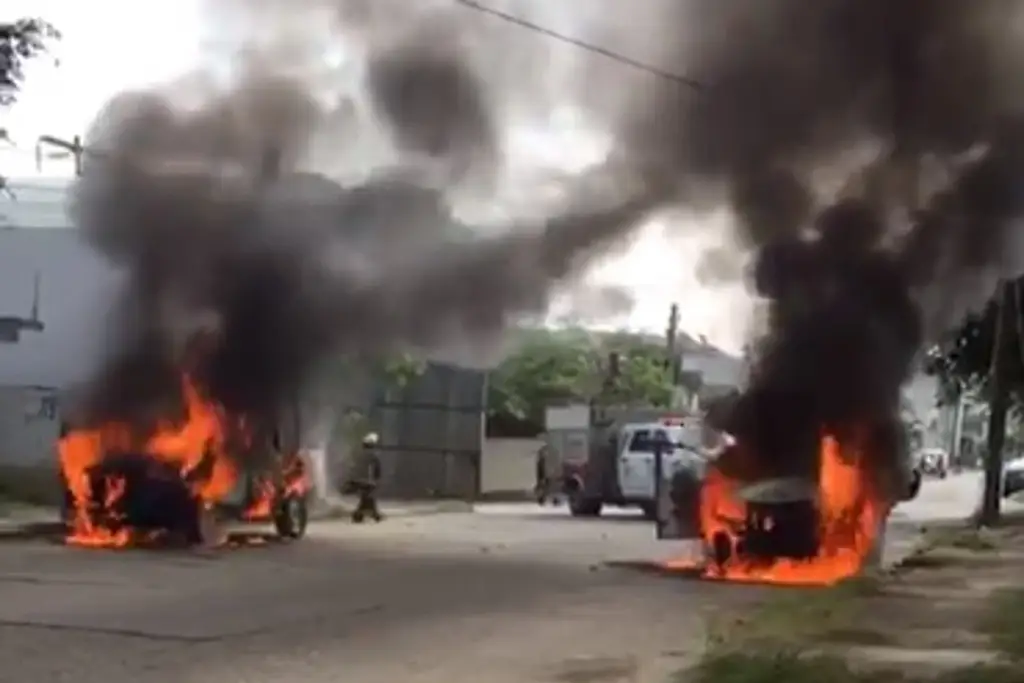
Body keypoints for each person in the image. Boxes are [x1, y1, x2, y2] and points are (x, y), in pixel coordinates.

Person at [351, 432, 383, 523]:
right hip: (368, 480)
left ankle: (370, 514)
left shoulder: (359, 453)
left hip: (359, 479)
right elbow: (377, 468)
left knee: (367, 497)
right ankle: (366, 514)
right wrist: (376, 478)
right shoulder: (373, 455)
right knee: (369, 496)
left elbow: (354, 467)